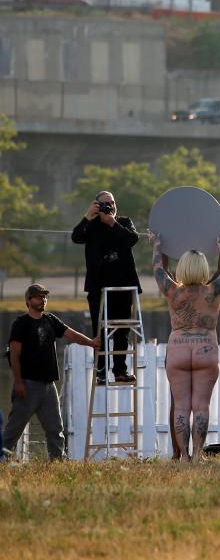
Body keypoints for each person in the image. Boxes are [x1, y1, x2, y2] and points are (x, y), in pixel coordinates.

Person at [152, 231, 220, 462]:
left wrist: (156, 245)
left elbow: (158, 268)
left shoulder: (172, 290)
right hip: (205, 349)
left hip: (178, 349)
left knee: (180, 407)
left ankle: (185, 457)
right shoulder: (213, 291)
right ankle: (198, 454)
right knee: (201, 406)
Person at [3, 284, 99, 460]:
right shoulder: (21, 324)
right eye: (39, 297)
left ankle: (57, 461)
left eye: (45, 297)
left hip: (48, 386)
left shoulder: (50, 320)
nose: (43, 300)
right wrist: (18, 382)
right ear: (29, 300)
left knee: (55, 428)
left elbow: (71, 334)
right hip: (27, 385)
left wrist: (92, 343)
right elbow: (14, 356)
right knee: (14, 429)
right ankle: (2, 459)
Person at [71, 190, 141, 384]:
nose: (110, 207)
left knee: (122, 329)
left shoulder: (124, 222)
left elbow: (132, 239)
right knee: (99, 329)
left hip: (124, 286)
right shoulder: (91, 225)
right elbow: (76, 237)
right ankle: (101, 371)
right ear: (97, 205)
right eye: (105, 204)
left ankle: (120, 370)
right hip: (98, 287)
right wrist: (88, 215)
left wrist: (113, 223)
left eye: (112, 203)